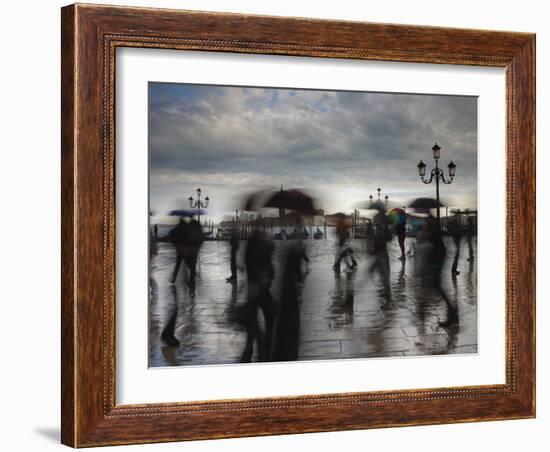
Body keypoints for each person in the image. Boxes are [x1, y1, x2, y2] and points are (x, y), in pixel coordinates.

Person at [241, 229, 276, 362]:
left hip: (253, 288)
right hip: (260, 289)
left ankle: (250, 348)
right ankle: (264, 345)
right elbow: (269, 267)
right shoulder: (263, 247)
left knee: (253, 319)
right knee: (269, 317)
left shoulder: (251, 245)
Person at [272, 241, 309, 361]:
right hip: (291, 291)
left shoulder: (291, 255)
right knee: (292, 311)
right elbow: (299, 275)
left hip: (286, 289)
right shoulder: (298, 254)